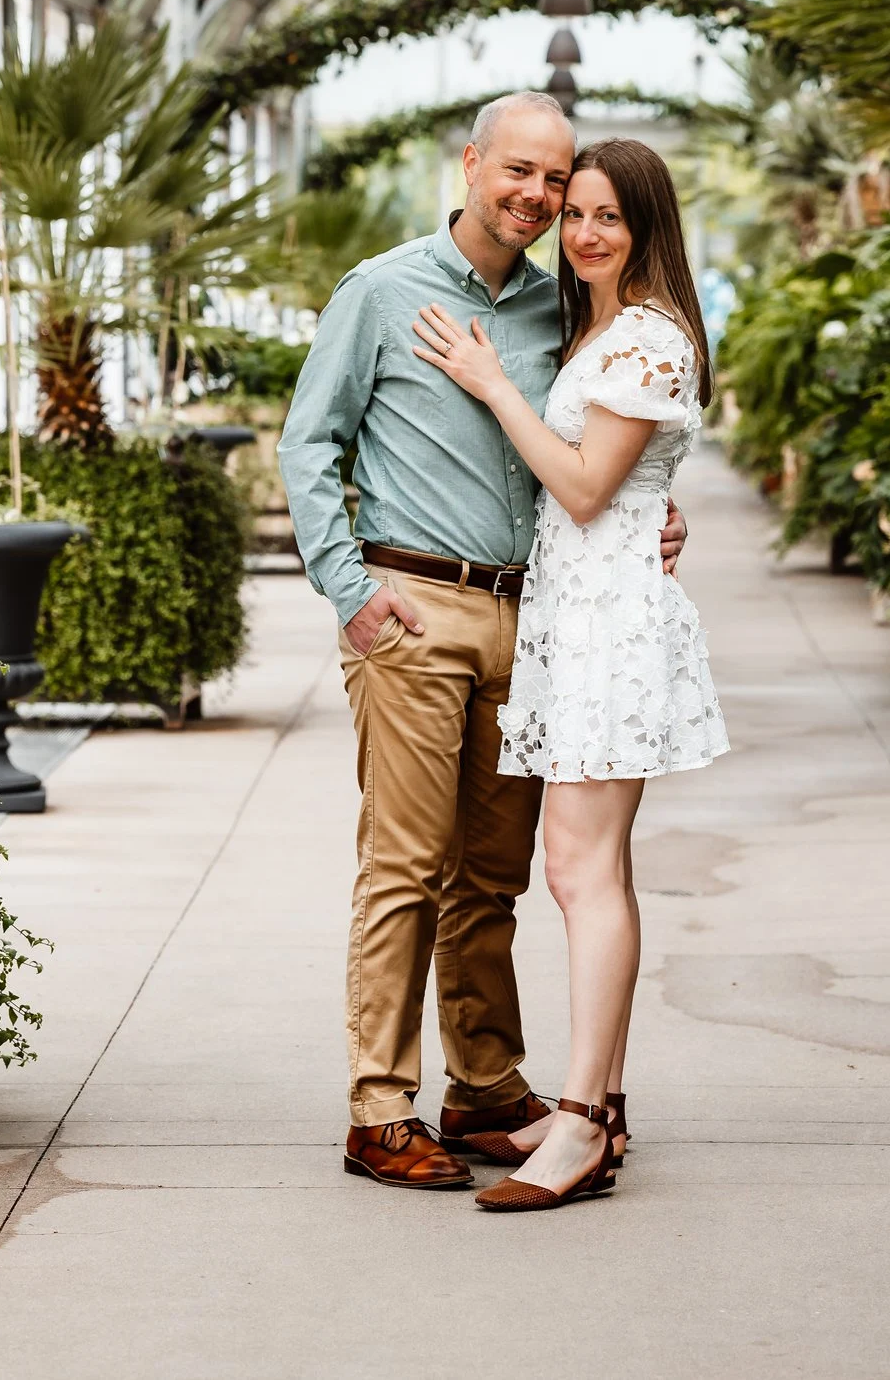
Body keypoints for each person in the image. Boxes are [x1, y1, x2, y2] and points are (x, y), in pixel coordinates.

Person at [278, 93, 688, 1191]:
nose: (537, 197)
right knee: (405, 865)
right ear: (470, 162)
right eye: (518, 171)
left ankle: (486, 1088)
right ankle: (379, 1106)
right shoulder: (382, 290)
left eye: (555, 183)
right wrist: (348, 591)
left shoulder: (568, 308)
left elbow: (603, 448)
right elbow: (308, 442)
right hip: (414, 607)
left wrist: (656, 508)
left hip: (539, 617)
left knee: (493, 876)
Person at [407, 137, 729, 1212]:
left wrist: (494, 383)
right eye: (575, 211)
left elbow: (589, 488)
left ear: (646, 230)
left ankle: (583, 1120)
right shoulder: (599, 328)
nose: (583, 231)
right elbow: (621, 493)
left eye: (608, 217)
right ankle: (603, 1102)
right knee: (589, 871)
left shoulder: (645, 337)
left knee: (581, 874)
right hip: (578, 619)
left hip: (608, 629)